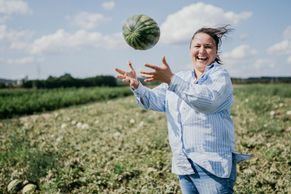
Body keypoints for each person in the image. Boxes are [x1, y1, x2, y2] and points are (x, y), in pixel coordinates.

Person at [115, 25, 250, 194]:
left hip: (212, 167)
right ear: (190, 50)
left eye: (208, 47)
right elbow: (155, 100)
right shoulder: (182, 78)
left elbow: (206, 102)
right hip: (184, 165)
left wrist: (171, 79)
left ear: (216, 52)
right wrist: (137, 86)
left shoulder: (219, 77)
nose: (202, 51)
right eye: (197, 46)